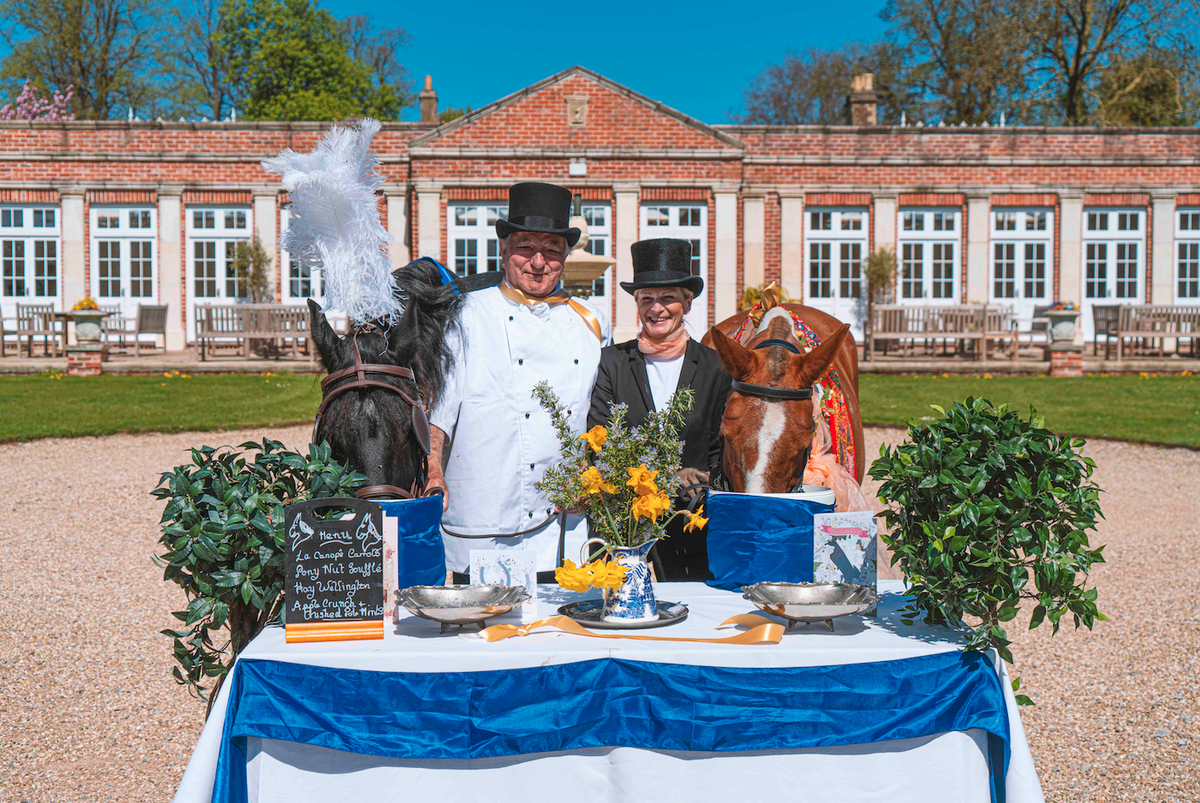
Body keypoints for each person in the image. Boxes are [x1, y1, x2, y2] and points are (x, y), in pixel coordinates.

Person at [427, 182, 612, 579]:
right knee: (479, 631)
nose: (538, 262)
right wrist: (433, 469)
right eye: (526, 247)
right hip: (484, 508)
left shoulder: (592, 321)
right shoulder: (467, 313)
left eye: (552, 250)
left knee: (566, 630)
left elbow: (606, 414)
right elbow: (440, 408)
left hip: (567, 517)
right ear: (504, 250)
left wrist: (597, 475)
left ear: (565, 257)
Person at [588, 238, 731, 580]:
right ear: (637, 304)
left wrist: (704, 485)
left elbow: (720, 448)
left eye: (668, 298)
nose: (657, 309)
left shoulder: (716, 367)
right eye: (647, 299)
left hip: (689, 525)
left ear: (687, 303)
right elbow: (601, 439)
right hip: (621, 522)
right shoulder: (613, 362)